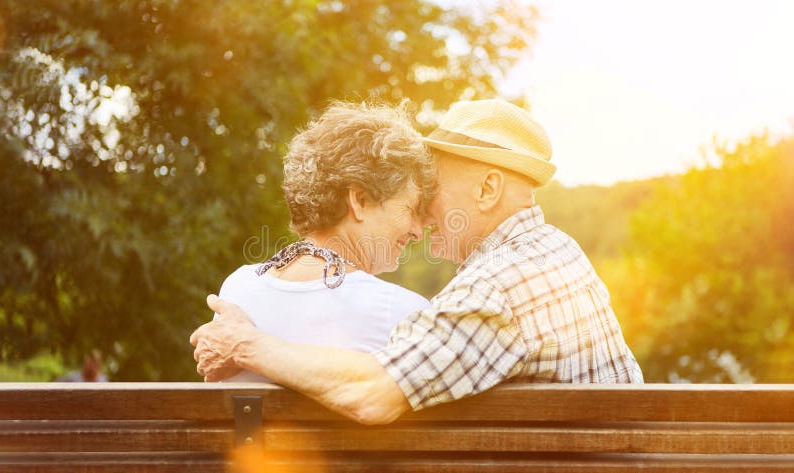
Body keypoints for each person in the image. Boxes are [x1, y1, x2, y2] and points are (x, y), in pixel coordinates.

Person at [191, 99, 643, 424]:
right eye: (414, 201)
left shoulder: (497, 285)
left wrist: (244, 344)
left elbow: (371, 395)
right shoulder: (554, 252)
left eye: (432, 191)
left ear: (487, 190)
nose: (424, 216)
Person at [211, 101, 436, 382]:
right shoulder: (402, 314)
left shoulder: (237, 290)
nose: (417, 230)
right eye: (411, 210)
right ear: (360, 200)